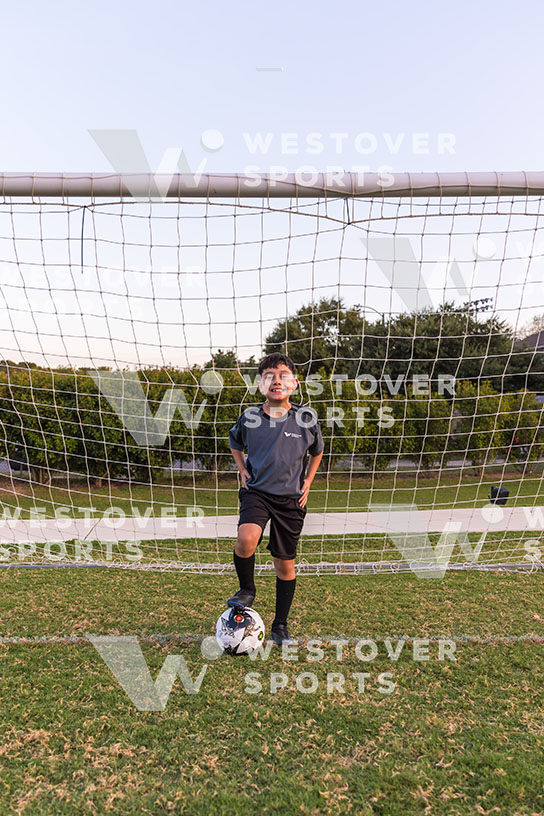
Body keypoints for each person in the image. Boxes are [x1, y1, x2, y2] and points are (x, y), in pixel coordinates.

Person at [227, 353, 324, 645]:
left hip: (290, 500)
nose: (276, 381)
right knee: (246, 539)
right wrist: (242, 470)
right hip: (257, 492)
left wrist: (308, 481)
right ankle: (247, 589)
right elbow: (234, 442)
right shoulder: (250, 417)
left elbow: (317, 451)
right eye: (269, 376)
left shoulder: (306, 419)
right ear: (261, 384)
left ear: (294, 383)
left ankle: (280, 625)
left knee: (284, 565)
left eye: (283, 375)